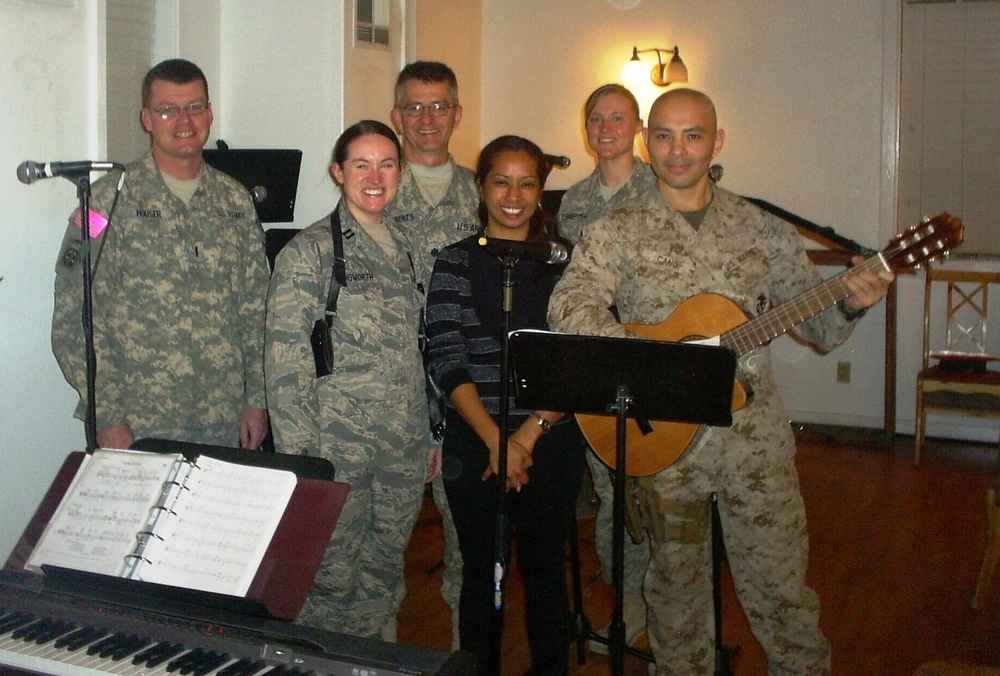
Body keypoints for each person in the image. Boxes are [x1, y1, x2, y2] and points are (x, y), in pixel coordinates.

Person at [547, 88, 894, 675]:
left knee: (781, 587)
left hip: (752, 442)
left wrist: (853, 302)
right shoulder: (616, 229)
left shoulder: (761, 227)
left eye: (692, 135)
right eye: (663, 135)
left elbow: (820, 327)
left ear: (718, 141)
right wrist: (652, 359)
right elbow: (569, 305)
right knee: (675, 597)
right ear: (646, 142)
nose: (677, 150)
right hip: (666, 444)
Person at [265, 120, 438, 638]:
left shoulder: (407, 245)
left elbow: (416, 352)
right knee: (328, 578)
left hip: (402, 447)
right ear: (339, 172)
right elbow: (285, 365)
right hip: (337, 450)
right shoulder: (311, 253)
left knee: (385, 570)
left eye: (387, 164)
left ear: (400, 172)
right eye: (361, 164)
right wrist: (306, 460)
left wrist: (428, 433)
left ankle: (368, 659)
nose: (374, 176)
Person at [425, 135, 587, 675]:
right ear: (480, 186)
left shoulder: (567, 265)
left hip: (551, 439)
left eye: (527, 182)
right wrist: (498, 439)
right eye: (501, 180)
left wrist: (527, 436)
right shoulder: (452, 261)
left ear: (541, 190)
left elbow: (576, 360)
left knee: (545, 570)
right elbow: (446, 358)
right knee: (479, 570)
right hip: (475, 440)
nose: (514, 194)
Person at [51, 58, 269, 451]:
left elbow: (256, 310)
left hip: (222, 418)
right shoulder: (104, 202)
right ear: (146, 118)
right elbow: (74, 317)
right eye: (168, 109)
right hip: (137, 422)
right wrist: (107, 416)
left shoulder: (235, 201)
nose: (184, 120)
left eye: (195, 107)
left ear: (209, 113)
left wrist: (257, 400)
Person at [557, 83, 657, 653]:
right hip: (595, 363)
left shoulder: (662, 189)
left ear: (638, 126)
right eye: (596, 118)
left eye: (618, 117)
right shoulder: (572, 200)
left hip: (649, 357)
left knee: (653, 494)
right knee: (609, 490)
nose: (605, 127)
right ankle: (626, 608)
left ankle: (664, 612)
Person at [388, 60, 479, 646]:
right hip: (389, 396)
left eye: (438, 105)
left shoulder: (486, 194)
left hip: (465, 394)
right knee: (377, 558)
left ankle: (464, 658)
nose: (427, 118)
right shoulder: (374, 185)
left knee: (469, 552)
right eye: (415, 107)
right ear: (397, 116)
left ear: (456, 114)